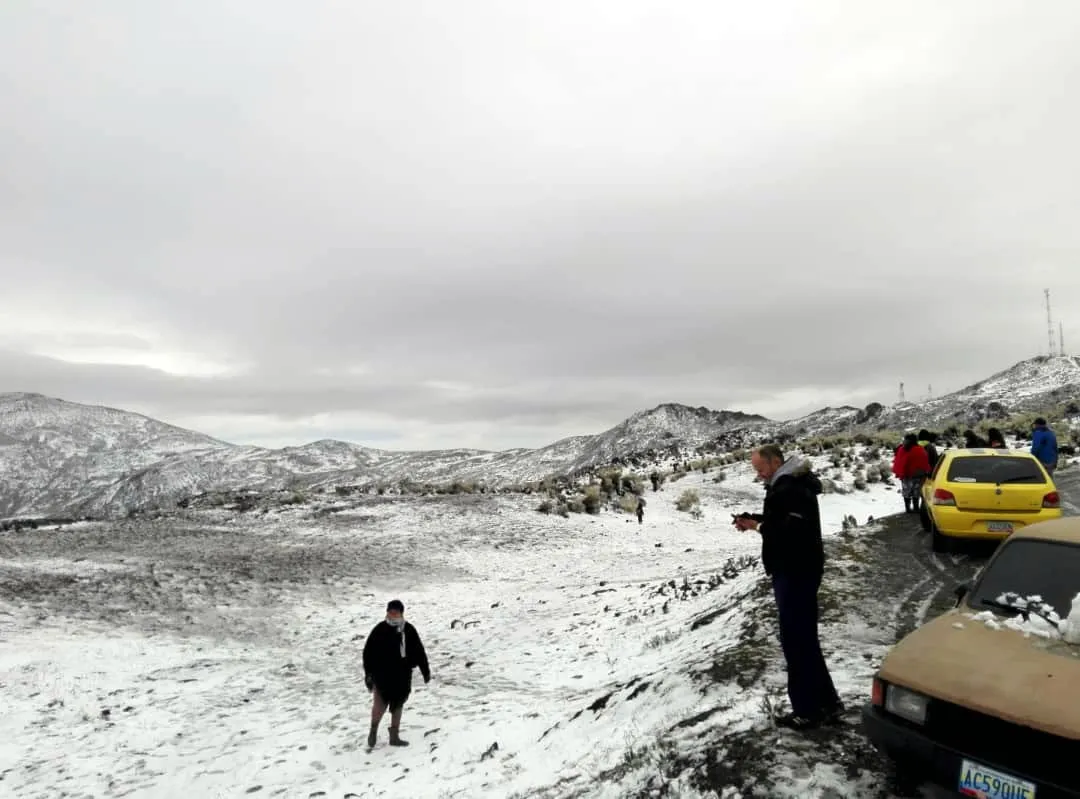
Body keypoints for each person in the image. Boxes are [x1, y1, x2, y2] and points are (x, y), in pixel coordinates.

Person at [733, 444, 843, 730]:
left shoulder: (790, 487)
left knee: (796, 642)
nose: (758, 476)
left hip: (795, 571)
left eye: (760, 469)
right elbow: (784, 521)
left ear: (776, 462)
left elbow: (790, 532)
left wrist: (759, 527)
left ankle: (807, 710)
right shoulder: (788, 484)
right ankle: (828, 703)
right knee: (804, 640)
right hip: (798, 569)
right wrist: (756, 520)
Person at [363, 599, 431, 748]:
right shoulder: (379, 630)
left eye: (396, 612)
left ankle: (394, 737)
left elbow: (419, 651)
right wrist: (368, 674)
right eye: (390, 611)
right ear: (387, 612)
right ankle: (373, 730)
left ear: (401, 613)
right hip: (382, 675)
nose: (393, 614)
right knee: (379, 705)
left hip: (402, 675)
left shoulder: (408, 630)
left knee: (398, 705)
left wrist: (425, 671)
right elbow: (368, 653)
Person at [892, 433, 931, 513]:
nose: (904, 441)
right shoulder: (920, 449)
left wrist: (901, 472)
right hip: (918, 476)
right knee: (916, 492)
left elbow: (900, 462)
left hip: (907, 476)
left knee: (907, 492)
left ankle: (908, 509)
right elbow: (925, 462)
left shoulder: (903, 449)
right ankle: (915, 508)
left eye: (906, 440)